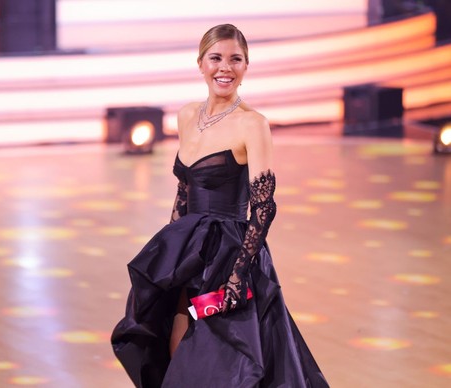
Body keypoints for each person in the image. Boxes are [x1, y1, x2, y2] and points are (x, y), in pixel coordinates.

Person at [111, 24, 329, 388]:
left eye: (235, 59)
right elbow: (184, 192)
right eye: (216, 58)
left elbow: (263, 208)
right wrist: (170, 256)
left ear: (246, 67)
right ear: (201, 64)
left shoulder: (253, 125)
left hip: (229, 254)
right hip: (189, 251)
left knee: (222, 362)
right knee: (175, 346)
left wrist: (237, 274)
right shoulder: (186, 116)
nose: (224, 68)